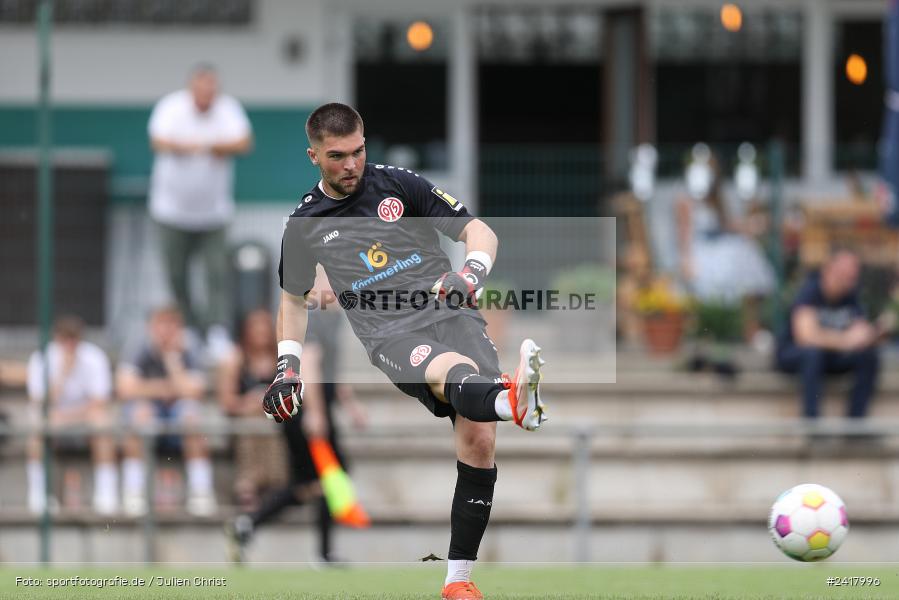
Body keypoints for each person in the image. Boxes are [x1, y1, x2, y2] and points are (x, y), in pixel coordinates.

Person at [265, 103, 547, 600]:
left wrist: (470, 274)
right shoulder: (304, 223)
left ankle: (457, 582)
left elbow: (479, 232)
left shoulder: (398, 183)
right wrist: (286, 367)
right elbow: (292, 300)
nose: (351, 164)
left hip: (450, 310)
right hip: (390, 332)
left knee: (479, 441)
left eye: (358, 151)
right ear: (314, 156)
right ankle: (511, 402)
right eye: (337, 156)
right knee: (456, 374)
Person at [226, 302, 367, 564]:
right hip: (307, 411)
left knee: (309, 484)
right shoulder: (315, 318)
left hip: (311, 410)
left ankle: (248, 524)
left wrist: (350, 406)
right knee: (330, 478)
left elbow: (329, 372)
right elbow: (310, 365)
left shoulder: (332, 318)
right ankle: (323, 555)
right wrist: (315, 412)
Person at [147, 63, 253, 357]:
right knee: (177, 275)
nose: (207, 96)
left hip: (213, 213)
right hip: (171, 213)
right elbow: (157, 140)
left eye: (212, 90)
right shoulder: (171, 107)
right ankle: (189, 329)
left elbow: (244, 142)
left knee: (217, 274)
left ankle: (216, 330)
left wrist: (215, 147)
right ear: (191, 88)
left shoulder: (228, 109)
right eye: (202, 90)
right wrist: (186, 146)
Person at [116, 306, 216, 516]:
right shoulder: (138, 346)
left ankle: (201, 491)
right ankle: (134, 492)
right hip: (150, 411)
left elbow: (195, 392)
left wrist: (172, 360)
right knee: (140, 413)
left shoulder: (191, 347)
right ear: (150, 327)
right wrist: (167, 388)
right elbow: (125, 389)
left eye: (172, 324)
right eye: (161, 324)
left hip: (178, 414)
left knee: (191, 415)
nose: (166, 331)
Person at [775, 251, 884, 421]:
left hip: (830, 357)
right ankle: (812, 423)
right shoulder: (810, 291)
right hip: (794, 356)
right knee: (812, 353)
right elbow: (806, 336)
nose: (849, 279)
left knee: (868, 357)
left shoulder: (851, 296)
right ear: (829, 270)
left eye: (852, 275)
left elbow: (860, 333)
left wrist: (874, 333)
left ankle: (856, 425)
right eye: (845, 274)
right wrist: (846, 340)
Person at [25, 316, 118, 515]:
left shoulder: (94, 357)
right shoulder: (42, 358)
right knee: (37, 431)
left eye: (73, 339)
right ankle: (39, 495)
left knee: (102, 423)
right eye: (65, 339)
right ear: (57, 338)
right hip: (55, 419)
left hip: (81, 418)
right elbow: (40, 402)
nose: (70, 345)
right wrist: (63, 374)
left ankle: (106, 495)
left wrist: (66, 417)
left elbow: (100, 402)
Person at [217, 308, 289, 510]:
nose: (260, 332)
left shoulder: (282, 359)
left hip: (275, 418)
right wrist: (249, 402)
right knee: (252, 419)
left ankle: (276, 480)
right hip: (244, 421)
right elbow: (227, 402)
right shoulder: (236, 360)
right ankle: (249, 482)